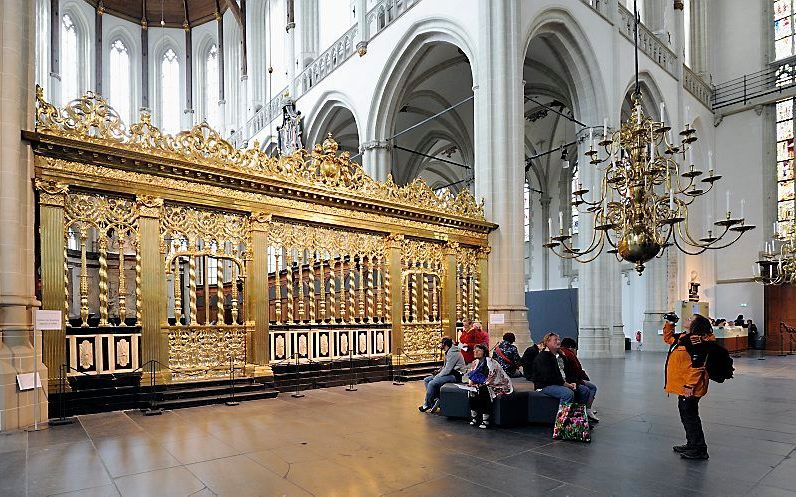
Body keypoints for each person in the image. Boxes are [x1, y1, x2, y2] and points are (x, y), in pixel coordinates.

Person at [663, 312, 715, 460]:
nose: (687, 318)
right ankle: (692, 444)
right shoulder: (685, 338)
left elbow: (698, 365)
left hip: (690, 386)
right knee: (686, 415)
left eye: (691, 319)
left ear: (696, 325)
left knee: (690, 416)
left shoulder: (697, 341)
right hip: (683, 385)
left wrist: (689, 385)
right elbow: (669, 339)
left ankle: (699, 449)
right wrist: (670, 323)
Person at [532, 332, 591, 407]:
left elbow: (569, 372)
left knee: (584, 390)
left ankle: (578, 414)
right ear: (547, 342)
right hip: (545, 385)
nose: (558, 342)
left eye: (559, 340)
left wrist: (573, 382)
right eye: (555, 340)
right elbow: (549, 377)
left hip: (562, 382)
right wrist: (565, 384)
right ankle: (561, 417)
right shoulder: (543, 357)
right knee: (567, 393)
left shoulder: (561, 356)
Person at [467, 344, 513, 429]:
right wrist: (471, 384)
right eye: (474, 350)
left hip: (495, 384)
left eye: (478, 350)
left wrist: (481, 384)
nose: (475, 352)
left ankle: (486, 420)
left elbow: (492, 377)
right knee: (471, 390)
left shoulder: (491, 362)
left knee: (484, 390)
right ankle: (475, 417)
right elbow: (471, 375)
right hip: (480, 383)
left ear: (484, 352)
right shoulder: (475, 362)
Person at [419, 337, 468, 412]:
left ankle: (427, 404)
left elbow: (448, 369)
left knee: (432, 383)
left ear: (445, 344)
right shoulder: (448, 351)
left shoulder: (453, 353)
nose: (440, 345)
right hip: (449, 373)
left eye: (441, 343)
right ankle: (435, 400)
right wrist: (438, 372)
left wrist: (437, 376)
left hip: (456, 375)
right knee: (426, 380)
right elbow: (445, 367)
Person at [560, 337, 599, 422]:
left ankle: (584, 411)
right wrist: (580, 381)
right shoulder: (569, 354)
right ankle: (584, 411)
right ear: (571, 347)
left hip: (571, 379)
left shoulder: (562, 353)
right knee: (590, 388)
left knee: (588, 387)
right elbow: (575, 370)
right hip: (571, 380)